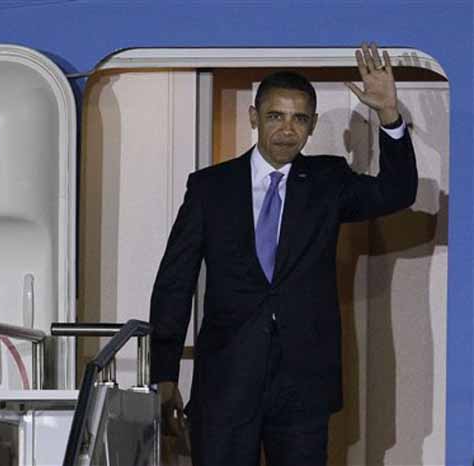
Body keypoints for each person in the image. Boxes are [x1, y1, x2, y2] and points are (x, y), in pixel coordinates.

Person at [149, 42, 417, 466]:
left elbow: (397, 192)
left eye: (299, 119)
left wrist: (389, 114)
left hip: (303, 386)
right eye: (275, 116)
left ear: (310, 127)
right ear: (254, 117)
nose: (287, 130)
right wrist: (163, 373)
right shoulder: (210, 188)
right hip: (226, 383)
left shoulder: (328, 181)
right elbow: (175, 283)